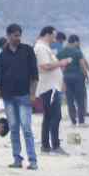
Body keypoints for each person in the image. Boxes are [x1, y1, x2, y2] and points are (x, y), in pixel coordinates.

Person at [0, 23, 39, 170]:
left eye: (19, 35)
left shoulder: (27, 51)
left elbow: (34, 75)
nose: (18, 38)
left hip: (24, 96)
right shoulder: (2, 55)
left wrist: (33, 94)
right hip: (8, 97)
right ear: (8, 36)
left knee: (26, 128)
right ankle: (17, 159)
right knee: (13, 128)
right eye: (15, 35)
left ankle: (33, 161)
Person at [34, 26, 71, 156]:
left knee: (49, 116)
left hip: (51, 87)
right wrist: (62, 63)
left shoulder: (44, 48)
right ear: (47, 35)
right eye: (54, 36)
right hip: (49, 88)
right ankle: (54, 146)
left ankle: (46, 146)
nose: (55, 39)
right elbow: (44, 66)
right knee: (55, 116)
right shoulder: (41, 48)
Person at [60, 34, 89, 126]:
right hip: (78, 78)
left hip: (66, 78)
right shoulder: (77, 51)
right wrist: (87, 76)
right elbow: (82, 65)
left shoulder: (62, 52)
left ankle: (73, 121)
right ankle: (81, 121)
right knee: (80, 100)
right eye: (78, 42)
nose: (79, 44)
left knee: (70, 100)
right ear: (75, 41)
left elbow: (59, 66)